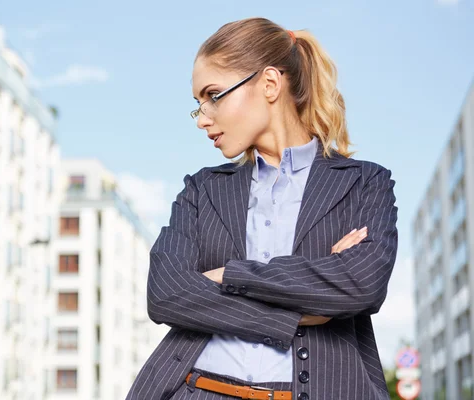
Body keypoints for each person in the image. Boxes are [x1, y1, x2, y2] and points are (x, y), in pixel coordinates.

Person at [126, 17, 398, 400]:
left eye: (214, 95)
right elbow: (166, 293)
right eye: (198, 104)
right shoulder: (203, 189)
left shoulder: (364, 183)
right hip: (196, 390)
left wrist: (228, 275)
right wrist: (293, 313)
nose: (203, 118)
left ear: (269, 84)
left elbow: (360, 285)